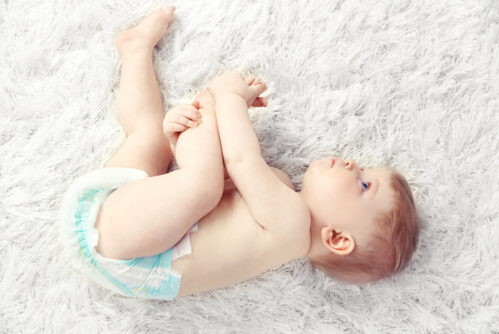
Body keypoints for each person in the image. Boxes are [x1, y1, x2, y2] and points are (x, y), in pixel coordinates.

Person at [58, 7, 420, 300]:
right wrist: (179, 141)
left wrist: (229, 100)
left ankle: (201, 102)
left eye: (362, 185)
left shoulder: (294, 227)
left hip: (135, 253)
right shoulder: (276, 193)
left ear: (337, 238)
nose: (352, 164)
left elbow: (240, 159)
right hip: (131, 235)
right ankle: (135, 49)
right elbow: (202, 194)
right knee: (149, 135)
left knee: (203, 184)